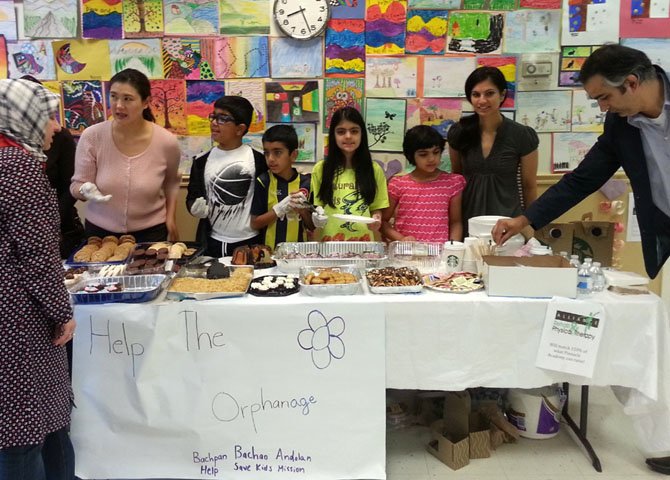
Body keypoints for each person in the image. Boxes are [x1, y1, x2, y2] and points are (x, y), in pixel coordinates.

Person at [491, 44, 670, 475]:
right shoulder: (621, 123)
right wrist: (525, 219)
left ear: (631, 83)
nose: (602, 108)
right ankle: (665, 441)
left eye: (604, 98)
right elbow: (584, 178)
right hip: (665, 231)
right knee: (660, 333)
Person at [0, 79, 76, 479]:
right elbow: (38, 257)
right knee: (23, 430)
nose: (56, 126)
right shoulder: (19, 168)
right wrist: (63, 312)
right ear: (21, 118)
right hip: (19, 323)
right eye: (47, 115)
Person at [70, 68, 181, 243]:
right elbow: (77, 186)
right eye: (114, 96)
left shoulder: (166, 142)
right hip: (100, 232)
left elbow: (172, 183)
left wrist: (171, 219)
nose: (119, 105)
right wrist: (84, 190)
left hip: (150, 232)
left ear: (146, 102)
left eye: (128, 99)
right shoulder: (92, 136)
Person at [447, 66, 539, 235]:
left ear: (502, 95)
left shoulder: (522, 135)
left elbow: (529, 186)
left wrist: (531, 225)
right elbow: (457, 178)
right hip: (469, 219)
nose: (482, 100)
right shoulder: (458, 132)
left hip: (508, 221)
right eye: (476, 95)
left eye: (489, 93)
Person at [186, 95, 268, 257]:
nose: (214, 123)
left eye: (223, 119)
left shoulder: (259, 160)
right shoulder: (201, 161)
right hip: (212, 241)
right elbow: (192, 197)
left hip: (250, 240)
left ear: (240, 129)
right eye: (213, 117)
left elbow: (266, 199)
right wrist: (194, 208)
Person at [21, 75, 85, 260]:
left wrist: (51, 222)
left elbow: (69, 187)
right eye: (47, 116)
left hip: (63, 232)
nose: (56, 126)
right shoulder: (12, 155)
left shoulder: (60, 137)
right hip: (25, 242)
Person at [310, 106, 389, 241]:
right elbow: (318, 206)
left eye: (354, 131)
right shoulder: (320, 169)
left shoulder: (374, 170)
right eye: (341, 132)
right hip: (329, 242)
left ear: (361, 134)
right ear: (333, 135)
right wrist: (316, 217)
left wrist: (377, 219)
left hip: (363, 242)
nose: (348, 136)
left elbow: (376, 208)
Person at [382, 125, 466, 243]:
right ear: (411, 155)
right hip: (406, 254)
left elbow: (456, 222)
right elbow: (383, 222)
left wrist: (452, 248)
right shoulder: (398, 184)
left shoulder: (452, 183)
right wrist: (401, 239)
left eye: (436, 152)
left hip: (439, 254)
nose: (431, 158)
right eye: (423, 154)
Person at [250, 125, 314, 249]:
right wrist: (279, 209)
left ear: (293, 155)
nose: (270, 159)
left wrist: (303, 211)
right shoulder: (263, 181)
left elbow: (311, 226)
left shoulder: (307, 183)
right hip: (270, 254)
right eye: (266, 153)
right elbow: (255, 223)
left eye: (277, 152)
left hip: (299, 253)